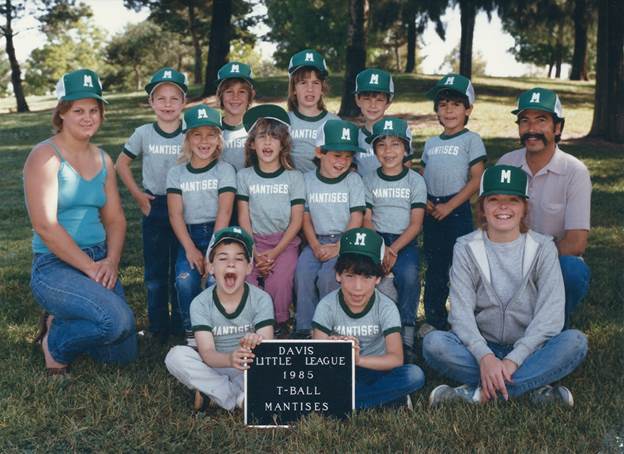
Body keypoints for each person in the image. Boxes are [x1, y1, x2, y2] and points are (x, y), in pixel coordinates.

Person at [423, 165, 588, 407]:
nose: (503, 207)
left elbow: (550, 317)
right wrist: (485, 356)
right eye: (494, 199)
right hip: (480, 346)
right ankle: (532, 389)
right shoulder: (466, 247)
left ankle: (479, 393)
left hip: (530, 349)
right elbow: (460, 314)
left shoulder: (542, 247)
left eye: (513, 200)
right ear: (482, 207)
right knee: (433, 343)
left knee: (575, 342)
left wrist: (513, 360)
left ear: (524, 208)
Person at [25, 69, 137, 375]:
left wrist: (111, 261)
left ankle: (65, 317)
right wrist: (89, 269)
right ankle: (55, 342)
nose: (87, 117)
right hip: (55, 264)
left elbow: (115, 219)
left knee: (121, 354)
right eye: (78, 110)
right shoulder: (44, 157)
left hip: (99, 258)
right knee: (117, 322)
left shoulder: (103, 159)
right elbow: (45, 226)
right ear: (61, 112)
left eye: (94, 110)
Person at [498, 88, 591, 328]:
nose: (532, 129)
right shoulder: (506, 164)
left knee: (572, 270)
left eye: (541, 120)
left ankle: (554, 325)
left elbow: (576, 243)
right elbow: (488, 223)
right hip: (509, 259)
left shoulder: (575, 172)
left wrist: (531, 262)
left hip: (555, 261)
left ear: (557, 127)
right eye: (525, 121)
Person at [312, 228, 425, 409]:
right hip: (342, 371)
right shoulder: (326, 305)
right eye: (350, 276)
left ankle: (342, 402)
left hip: (376, 369)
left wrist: (358, 360)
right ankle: (384, 399)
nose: (357, 287)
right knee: (318, 379)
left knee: (414, 375)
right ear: (338, 275)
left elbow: (396, 359)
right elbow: (317, 357)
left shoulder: (386, 307)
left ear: (379, 278)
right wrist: (333, 350)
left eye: (367, 277)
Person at [164, 227, 275, 412]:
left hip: (248, 367)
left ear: (249, 267)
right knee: (175, 356)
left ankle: (213, 394)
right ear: (211, 267)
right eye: (223, 258)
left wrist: (257, 343)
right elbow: (207, 353)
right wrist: (229, 359)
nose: (230, 264)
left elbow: (268, 347)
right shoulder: (200, 303)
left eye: (239, 259)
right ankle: (238, 399)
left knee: (274, 371)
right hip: (216, 364)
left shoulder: (261, 298)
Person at [115, 67, 188, 343]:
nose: (167, 104)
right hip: (155, 206)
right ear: (151, 103)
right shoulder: (144, 133)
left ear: (184, 103)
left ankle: (181, 325)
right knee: (156, 273)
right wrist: (138, 195)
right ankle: (158, 326)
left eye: (174, 98)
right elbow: (121, 163)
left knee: (181, 270)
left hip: (184, 207)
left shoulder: (190, 132)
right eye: (161, 98)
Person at [420, 74, 487, 335]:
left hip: (456, 210)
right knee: (435, 267)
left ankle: (463, 320)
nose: (448, 110)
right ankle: (434, 319)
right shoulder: (432, 143)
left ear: (468, 109)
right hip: (431, 210)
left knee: (460, 268)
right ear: (436, 110)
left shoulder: (471, 140)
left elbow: (476, 179)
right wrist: (425, 202)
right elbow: (423, 177)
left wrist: (450, 206)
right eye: (443, 104)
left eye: (456, 104)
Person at [166, 104, 236, 346]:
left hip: (220, 233)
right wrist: (191, 249)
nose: (204, 141)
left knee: (220, 279)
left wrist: (212, 252)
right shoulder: (176, 173)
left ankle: (221, 330)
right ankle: (192, 331)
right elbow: (175, 215)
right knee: (186, 280)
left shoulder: (225, 170)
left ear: (219, 140)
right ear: (187, 139)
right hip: (189, 235)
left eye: (211, 134)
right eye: (197, 134)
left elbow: (225, 211)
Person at [293, 119, 366, 338]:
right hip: (315, 241)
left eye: (347, 156)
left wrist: (340, 247)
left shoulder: (353, 180)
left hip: (345, 241)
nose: (342, 162)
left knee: (329, 277)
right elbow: (305, 216)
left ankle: (328, 326)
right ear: (319, 152)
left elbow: (356, 216)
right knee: (303, 273)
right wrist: (314, 245)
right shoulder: (306, 180)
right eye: (336, 155)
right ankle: (304, 327)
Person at [237, 105, 304, 337]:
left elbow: (296, 222)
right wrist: (254, 252)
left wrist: (274, 253)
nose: (267, 143)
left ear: (283, 144)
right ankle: (254, 326)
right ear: (252, 145)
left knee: (281, 281)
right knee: (248, 278)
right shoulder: (244, 176)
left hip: (284, 243)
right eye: (261, 137)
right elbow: (244, 217)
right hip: (253, 242)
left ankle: (280, 324)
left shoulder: (294, 178)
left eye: (274, 137)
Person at [362, 117, 427, 358]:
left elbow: (416, 223)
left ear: (406, 148)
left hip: (404, 240)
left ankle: (406, 332)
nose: (388, 151)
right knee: (371, 278)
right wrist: (380, 248)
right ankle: (375, 334)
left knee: (409, 276)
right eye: (382, 145)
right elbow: (367, 219)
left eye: (395, 144)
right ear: (374, 149)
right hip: (376, 239)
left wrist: (394, 250)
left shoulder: (415, 181)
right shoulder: (368, 180)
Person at [286, 49, 339, 173]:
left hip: (323, 188)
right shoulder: (284, 121)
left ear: (322, 88)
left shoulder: (334, 122)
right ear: (294, 88)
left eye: (315, 83)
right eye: (303, 82)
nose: (310, 89)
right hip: (293, 187)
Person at [353, 68, 395, 177]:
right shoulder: (354, 136)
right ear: (357, 100)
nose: (373, 105)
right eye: (367, 99)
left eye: (379, 100)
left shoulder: (398, 132)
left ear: (388, 103)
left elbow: (406, 166)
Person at [216, 61, 256, 172]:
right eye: (229, 91)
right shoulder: (213, 129)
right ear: (220, 95)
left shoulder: (257, 129)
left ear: (250, 96)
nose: (235, 97)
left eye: (242, 91)